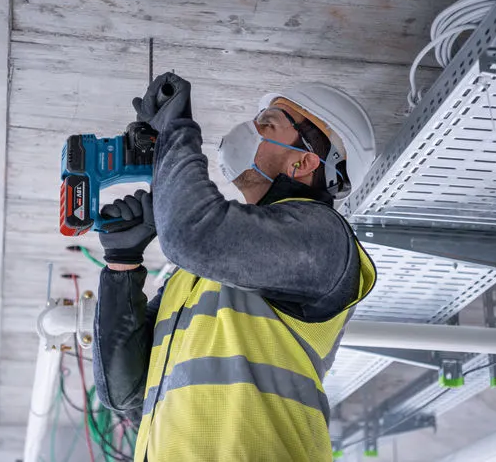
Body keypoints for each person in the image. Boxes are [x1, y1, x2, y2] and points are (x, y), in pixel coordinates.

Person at [92, 73, 378, 461]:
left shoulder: (323, 238)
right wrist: (122, 267)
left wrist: (177, 132)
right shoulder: (199, 275)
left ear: (305, 162)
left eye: (268, 123)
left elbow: (193, 234)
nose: (251, 129)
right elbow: (128, 393)